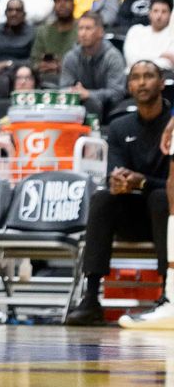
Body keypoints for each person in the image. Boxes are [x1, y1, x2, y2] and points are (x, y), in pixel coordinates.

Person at [69, 61, 170, 325]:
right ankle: (91, 298)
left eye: (149, 76)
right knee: (103, 196)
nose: (142, 82)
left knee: (160, 198)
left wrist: (143, 183)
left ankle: (166, 295)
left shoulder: (172, 124)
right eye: (136, 77)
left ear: (162, 83)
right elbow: (116, 171)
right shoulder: (119, 127)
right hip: (133, 218)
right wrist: (117, 181)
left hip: (168, 219)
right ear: (128, 87)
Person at [60, 11, 127, 119]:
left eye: (88, 28)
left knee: (92, 103)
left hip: (109, 111)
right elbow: (63, 88)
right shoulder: (71, 57)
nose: (83, 33)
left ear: (100, 32)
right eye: (80, 28)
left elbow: (117, 93)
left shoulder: (113, 57)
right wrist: (74, 92)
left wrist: (89, 94)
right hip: (78, 108)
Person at [30, 0, 78, 79]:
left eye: (66, 0)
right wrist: (41, 65)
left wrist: (60, 66)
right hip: (45, 78)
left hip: (74, 78)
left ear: (73, 4)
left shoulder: (82, 29)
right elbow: (34, 60)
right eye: (58, 0)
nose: (62, 4)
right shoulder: (43, 30)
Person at [125, 0, 174, 68]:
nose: (159, 16)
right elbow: (131, 59)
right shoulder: (136, 31)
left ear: (170, 15)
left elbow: (168, 65)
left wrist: (143, 57)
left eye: (164, 12)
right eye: (155, 11)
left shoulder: (172, 35)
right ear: (149, 13)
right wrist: (161, 55)